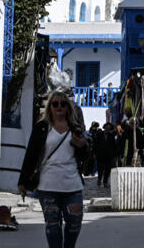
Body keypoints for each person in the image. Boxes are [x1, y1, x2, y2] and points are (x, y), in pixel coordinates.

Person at [18, 91, 90, 248]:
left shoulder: (74, 128)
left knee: (74, 222)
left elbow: (86, 156)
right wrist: (22, 181)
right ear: (50, 106)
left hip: (72, 184)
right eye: (55, 103)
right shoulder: (42, 128)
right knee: (52, 226)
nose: (59, 107)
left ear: (68, 108)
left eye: (63, 104)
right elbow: (31, 154)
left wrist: (82, 146)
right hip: (48, 184)